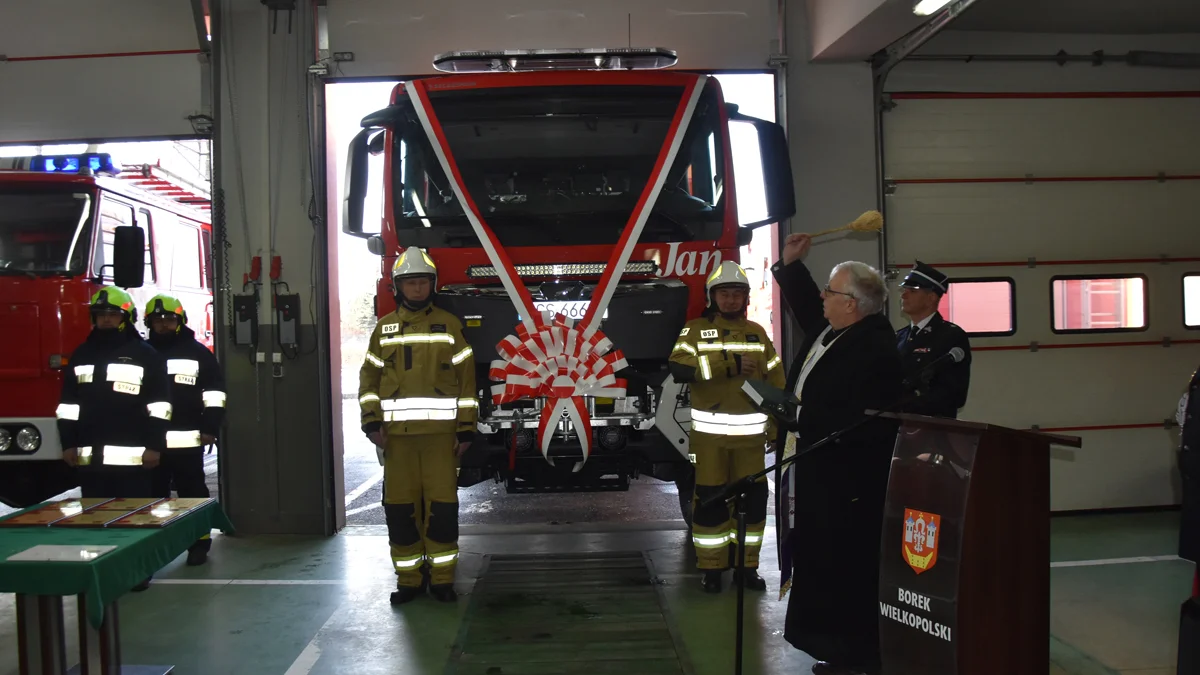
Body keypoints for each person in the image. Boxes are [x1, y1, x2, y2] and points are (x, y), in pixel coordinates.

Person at [770, 233, 904, 675]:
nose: (823, 298)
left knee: (848, 568)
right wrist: (790, 264)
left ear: (852, 303)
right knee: (824, 563)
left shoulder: (875, 348)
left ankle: (860, 655)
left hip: (848, 481)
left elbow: (858, 415)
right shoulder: (835, 329)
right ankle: (835, 649)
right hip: (819, 469)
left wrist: (800, 415)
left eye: (831, 291)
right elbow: (810, 305)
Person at [358, 246, 477, 605]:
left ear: (433, 285)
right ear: (398, 287)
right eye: (410, 283)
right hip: (398, 441)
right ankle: (409, 580)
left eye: (423, 282)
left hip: (441, 440)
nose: (417, 289)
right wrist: (371, 422)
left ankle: (442, 579)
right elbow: (368, 380)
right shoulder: (384, 330)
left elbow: (467, 381)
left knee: (442, 509)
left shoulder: (450, 326)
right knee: (400, 510)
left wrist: (466, 428)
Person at [669, 261, 786, 593]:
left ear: (745, 298)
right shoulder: (694, 330)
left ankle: (747, 568)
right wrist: (727, 364)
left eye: (737, 294)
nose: (732, 300)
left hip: (751, 442)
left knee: (753, 504)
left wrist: (778, 427)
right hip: (710, 442)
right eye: (725, 294)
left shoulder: (758, 334)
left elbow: (775, 382)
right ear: (713, 297)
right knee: (710, 504)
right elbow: (678, 368)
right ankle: (711, 569)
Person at [55, 286, 172, 591]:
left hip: (134, 459)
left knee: (135, 517)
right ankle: (102, 571)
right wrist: (67, 443)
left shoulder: (145, 355)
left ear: (126, 317)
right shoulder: (81, 354)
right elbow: (68, 405)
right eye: (100, 315)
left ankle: (138, 570)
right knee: (95, 518)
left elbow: (160, 405)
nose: (105, 320)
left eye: (112, 314)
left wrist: (154, 446)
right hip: (90, 457)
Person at [143, 294, 226, 566]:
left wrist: (210, 428)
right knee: (152, 498)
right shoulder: (141, 354)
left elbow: (215, 394)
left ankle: (199, 544)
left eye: (169, 319)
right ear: (148, 323)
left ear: (180, 321)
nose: (164, 325)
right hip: (150, 443)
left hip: (187, 440)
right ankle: (156, 547)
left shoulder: (199, 353)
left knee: (193, 495)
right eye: (158, 320)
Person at [895, 261, 971, 418]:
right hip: (900, 426)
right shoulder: (899, 336)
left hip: (932, 431)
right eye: (904, 290)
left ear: (931, 298)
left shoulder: (951, 336)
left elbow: (954, 395)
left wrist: (903, 401)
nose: (903, 295)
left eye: (912, 291)